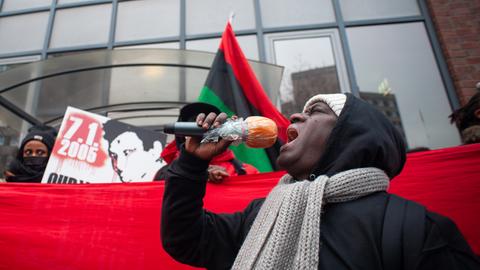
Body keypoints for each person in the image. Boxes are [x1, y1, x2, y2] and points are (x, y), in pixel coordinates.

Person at [161, 93, 480, 270]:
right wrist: (190, 165)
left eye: (314, 111)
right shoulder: (259, 216)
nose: (295, 118)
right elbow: (185, 241)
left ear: (351, 136)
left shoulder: (414, 227)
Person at [158, 102, 258, 183]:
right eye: (193, 126)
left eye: (209, 127)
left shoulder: (247, 172)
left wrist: (226, 181)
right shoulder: (165, 174)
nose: (201, 131)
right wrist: (193, 171)